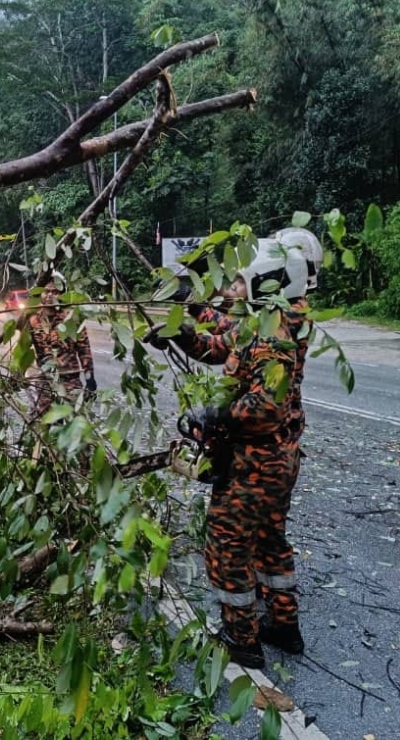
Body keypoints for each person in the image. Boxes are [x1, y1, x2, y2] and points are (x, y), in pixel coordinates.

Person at [146, 241, 308, 668]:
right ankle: (284, 626)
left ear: (264, 284)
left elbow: (265, 408)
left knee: (227, 545)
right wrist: (181, 329)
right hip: (277, 459)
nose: (232, 288)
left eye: (239, 281)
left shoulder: (274, 334)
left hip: (257, 463)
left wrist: (214, 415)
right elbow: (219, 343)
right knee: (270, 540)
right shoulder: (266, 318)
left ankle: (241, 639)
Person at [26, 276, 96, 422]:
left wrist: (90, 380)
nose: (50, 295)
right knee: (45, 425)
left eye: (55, 291)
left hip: (70, 379)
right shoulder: (33, 319)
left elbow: (84, 350)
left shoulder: (72, 318)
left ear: (62, 294)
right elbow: (23, 349)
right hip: (45, 381)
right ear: (40, 294)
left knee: (78, 426)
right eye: (46, 291)